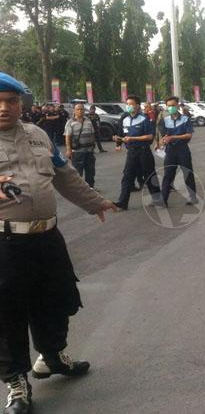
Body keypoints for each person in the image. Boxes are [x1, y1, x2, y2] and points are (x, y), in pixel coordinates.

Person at [0, 72, 116, 414]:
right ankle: (16, 381)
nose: (4, 108)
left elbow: (64, 174)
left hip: (47, 236)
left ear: (22, 104)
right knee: (7, 313)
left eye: (11, 101)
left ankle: (51, 357)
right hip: (6, 242)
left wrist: (94, 202)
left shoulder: (37, 134)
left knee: (56, 297)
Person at [113, 95, 163, 210]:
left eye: (131, 104)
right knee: (127, 177)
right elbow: (123, 135)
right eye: (127, 104)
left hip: (144, 152)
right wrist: (118, 139)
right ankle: (122, 202)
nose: (129, 106)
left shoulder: (144, 118)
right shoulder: (125, 119)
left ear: (137, 106)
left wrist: (133, 139)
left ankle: (158, 200)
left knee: (149, 176)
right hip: (131, 152)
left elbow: (150, 136)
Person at [160, 96, 198, 206]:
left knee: (187, 173)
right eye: (169, 106)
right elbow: (164, 135)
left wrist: (174, 138)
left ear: (177, 105)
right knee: (168, 174)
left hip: (183, 149)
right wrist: (164, 140)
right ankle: (164, 199)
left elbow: (189, 135)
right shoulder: (165, 120)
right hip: (170, 150)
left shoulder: (185, 119)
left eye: (173, 105)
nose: (171, 108)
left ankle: (193, 197)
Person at [63, 103, 97, 189]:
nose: (80, 111)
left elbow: (92, 133)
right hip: (78, 152)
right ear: (74, 111)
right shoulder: (70, 122)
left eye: (82, 109)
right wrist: (68, 149)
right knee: (77, 172)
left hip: (89, 151)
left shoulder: (88, 121)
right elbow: (68, 137)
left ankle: (90, 189)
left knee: (90, 171)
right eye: (78, 109)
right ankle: (78, 190)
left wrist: (94, 144)